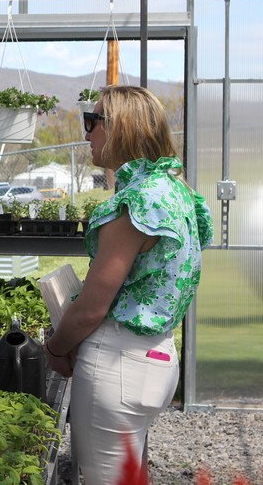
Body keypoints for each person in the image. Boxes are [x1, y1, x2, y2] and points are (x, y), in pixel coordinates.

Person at [43, 85, 213, 485]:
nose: (86, 133)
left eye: (93, 120)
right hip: (156, 358)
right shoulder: (175, 191)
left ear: (119, 128)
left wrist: (55, 347)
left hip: (117, 364)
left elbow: (91, 308)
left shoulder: (136, 204)